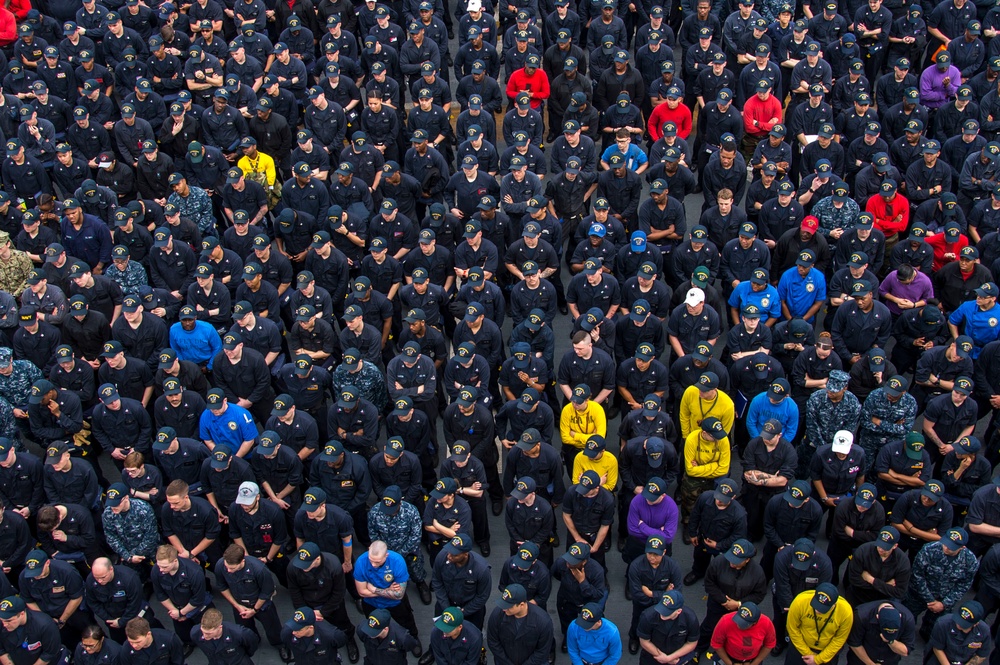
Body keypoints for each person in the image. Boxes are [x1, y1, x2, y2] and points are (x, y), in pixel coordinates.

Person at [784, 583, 853, 665]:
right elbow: (793, 629)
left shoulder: (846, 612)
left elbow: (839, 639)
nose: (817, 611)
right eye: (816, 605)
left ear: (834, 604)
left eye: (824, 608)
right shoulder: (800, 601)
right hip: (800, 645)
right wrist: (807, 653)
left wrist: (818, 659)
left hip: (827, 649)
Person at [709, 602, 775, 665]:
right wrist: (730, 663)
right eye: (738, 619)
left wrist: (755, 663)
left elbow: (769, 644)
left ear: (754, 623)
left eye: (744, 624)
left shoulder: (766, 623)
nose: (738, 625)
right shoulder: (725, 621)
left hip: (753, 659)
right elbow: (716, 644)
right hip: (730, 658)